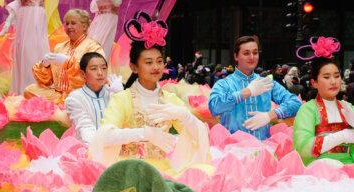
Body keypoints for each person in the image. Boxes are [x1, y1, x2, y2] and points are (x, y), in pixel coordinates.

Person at [91, 14, 208, 169]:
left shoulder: (169, 99)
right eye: (148, 62)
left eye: (159, 61)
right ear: (134, 67)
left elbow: (199, 136)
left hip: (162, 171)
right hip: (128, 170)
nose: (156, 67)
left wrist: (185, 116)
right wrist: (145, 133)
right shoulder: (122, 99)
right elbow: (104, 137)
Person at [292, 39, 354, 166]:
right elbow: (303, 147)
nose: (333, 81)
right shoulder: (308, 109)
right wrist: (342, 136)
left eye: (336, 76)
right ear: (314, 83)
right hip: (321, 170)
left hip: (352, 166)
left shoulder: (348, 107)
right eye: (327, 77)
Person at [207, 35, 301, 139]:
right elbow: (214, 108)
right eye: (246, 53)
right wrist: (246, 92)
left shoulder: (266, 82)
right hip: (233, 150)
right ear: (236, 56)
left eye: (255, 53)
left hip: (263, 148)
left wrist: (271, 115)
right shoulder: (224, 84)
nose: (252, 57)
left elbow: (295, 103)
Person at [64, 52, 118, 144]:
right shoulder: (74, 98)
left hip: (115, 146)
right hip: (86, 149)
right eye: (94, 69)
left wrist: (120, 96)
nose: (100, 73)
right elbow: (85, 127)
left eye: (104, 68)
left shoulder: (113, 93)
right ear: (83, 74)